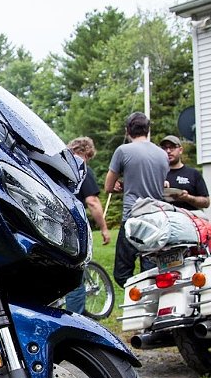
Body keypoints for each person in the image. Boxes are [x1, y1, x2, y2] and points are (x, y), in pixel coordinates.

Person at [103, 112, 169, 287]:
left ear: (127, 130)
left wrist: (121, 186)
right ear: (148, 130)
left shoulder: (123, 151)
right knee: (150, 270)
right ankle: (148, 299)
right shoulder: (162, 154)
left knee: (122, 273)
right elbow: (159, 182)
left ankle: (135, 296)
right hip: (156, 217)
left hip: (132, 216)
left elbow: (108, 186)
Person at [64, 137, 111, 314]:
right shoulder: (81, 168)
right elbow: (92, 202)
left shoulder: (58, 166)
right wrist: (104, 228)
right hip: (72, 226)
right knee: (76, 272)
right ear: (87, 153)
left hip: (50, 224)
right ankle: (75, 320)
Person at [159, 135, 209, 210]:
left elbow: (206, 202)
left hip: (189, 214)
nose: (168, 151)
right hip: (163, 214)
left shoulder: (193, 173)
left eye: (172, 147)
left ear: (180, 150)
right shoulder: (157, 174)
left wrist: (188, 198)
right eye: (164, 148)